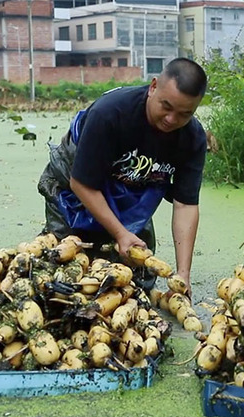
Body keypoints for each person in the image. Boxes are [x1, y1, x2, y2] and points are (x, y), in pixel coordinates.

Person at [37, 58, 208, 296]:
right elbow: (82, 183)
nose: (171, 119)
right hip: (76, 180)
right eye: (166, 106)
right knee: (63, 269)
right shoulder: (110, 113)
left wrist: (183, 274)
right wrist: (119, 232)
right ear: (153, 86)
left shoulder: (193, 138)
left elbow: (185, 206)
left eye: (184, 113)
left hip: (134, 184)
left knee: (136, 280)